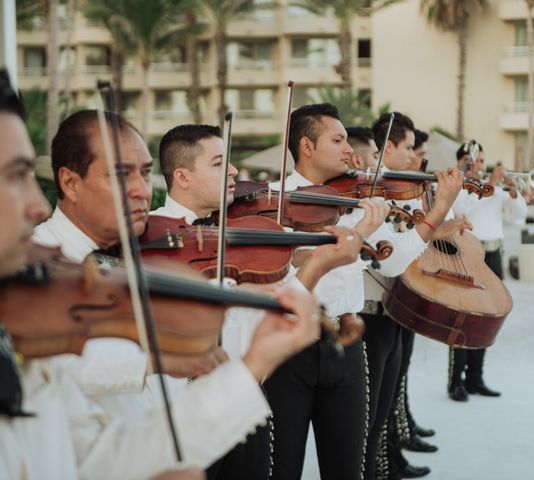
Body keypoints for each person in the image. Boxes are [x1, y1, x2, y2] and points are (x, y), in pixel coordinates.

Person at [15, 105, 324, 478]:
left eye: (144, 173)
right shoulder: (31, 277)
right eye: (119, 174)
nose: (140, 190)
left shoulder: (149, 252)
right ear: (69, 183)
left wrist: (256, 360)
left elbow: (122, 449)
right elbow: (73, 367)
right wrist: (154, 358)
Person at [152, 123, 366, 479]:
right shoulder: (156, 239)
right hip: (189, 411)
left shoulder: (242, 231)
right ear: (182, 177)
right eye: (220, 163)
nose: (234, 170)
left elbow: (277, 306)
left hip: (246, 402)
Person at [263, 104, 463, 480]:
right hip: (288, 345)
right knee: (282, 468)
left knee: (349, 467)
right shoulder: (272, 200)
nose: (348, 151)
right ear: (306, 146)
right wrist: (355, 239)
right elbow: (282, 275)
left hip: (346, 341)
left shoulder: (358, 200)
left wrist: (440, 209)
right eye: (337, 140)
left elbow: (393, 262)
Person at [363, 112, 465, 480]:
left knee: (390, 399)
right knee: (374, 413)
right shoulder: (369, 190)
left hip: (397, 304)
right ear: (386, 147)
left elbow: (408, 241)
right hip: (369, 314)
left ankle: (392, 461)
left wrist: (440, 226)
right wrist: (436, 222)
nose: (414, 157)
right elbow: (390, 252)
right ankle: (383, 467)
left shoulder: (398, 187)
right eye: (408, 148)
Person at [448, 141, 526, 402]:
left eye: (483, 161)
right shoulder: (458, 188)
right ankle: (455, 381)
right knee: (462, 319)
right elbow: (462, 211)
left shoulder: (494, 190)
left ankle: (475, 379)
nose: (481, 166)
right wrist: (488, 186)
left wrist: (513, 192)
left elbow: (519, 216)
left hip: (493, 256)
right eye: (476, 161)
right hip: (468, 257)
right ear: (464, 161)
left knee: (487, 317)